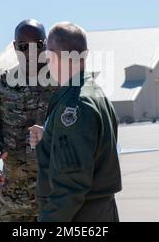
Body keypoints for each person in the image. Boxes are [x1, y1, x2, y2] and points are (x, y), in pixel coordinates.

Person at [30, 21, 122, 222]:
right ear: (85, 54)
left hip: (78, 215)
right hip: (98, 210)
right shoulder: (95, 93)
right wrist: (49, 138)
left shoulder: (74, 105)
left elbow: (70, 185)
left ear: (50, 57)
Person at [0, 19, 57, 222]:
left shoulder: (64, 83)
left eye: (37, 45)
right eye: (23, 47)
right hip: (13, 206)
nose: (30, 52)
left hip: (57, 203)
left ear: (46, 44)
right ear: (14, 47)